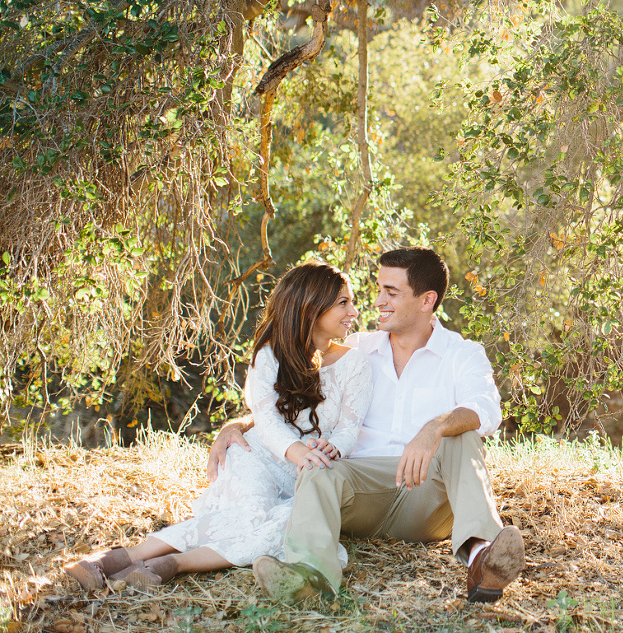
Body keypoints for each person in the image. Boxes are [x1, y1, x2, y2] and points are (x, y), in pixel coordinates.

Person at [208, 246, 525, 605]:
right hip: (360, 492)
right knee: (317, 468)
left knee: (462, 436)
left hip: (428, 498)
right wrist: (237, 424)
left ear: (426, 300)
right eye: (378, 289)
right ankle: (309, 577)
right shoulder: (355, 351)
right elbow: (291, 400)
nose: (377, 301)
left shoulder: (463, 354)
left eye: (391, 292)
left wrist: (434, 428)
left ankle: (483, 556)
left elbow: (485, 411)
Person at [64, 262, 372, 591]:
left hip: (311, 472)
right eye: (343, 302)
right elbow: (265, 420)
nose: (353, 310)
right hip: (259, 457)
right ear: (311, 307)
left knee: (289, 522)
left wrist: (333, 448)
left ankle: (166, 565)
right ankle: (108, 562)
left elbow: (348, 429)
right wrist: (292, 450)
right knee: (247, 517)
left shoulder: (355, 363)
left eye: (351, 302)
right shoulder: (268, 356)